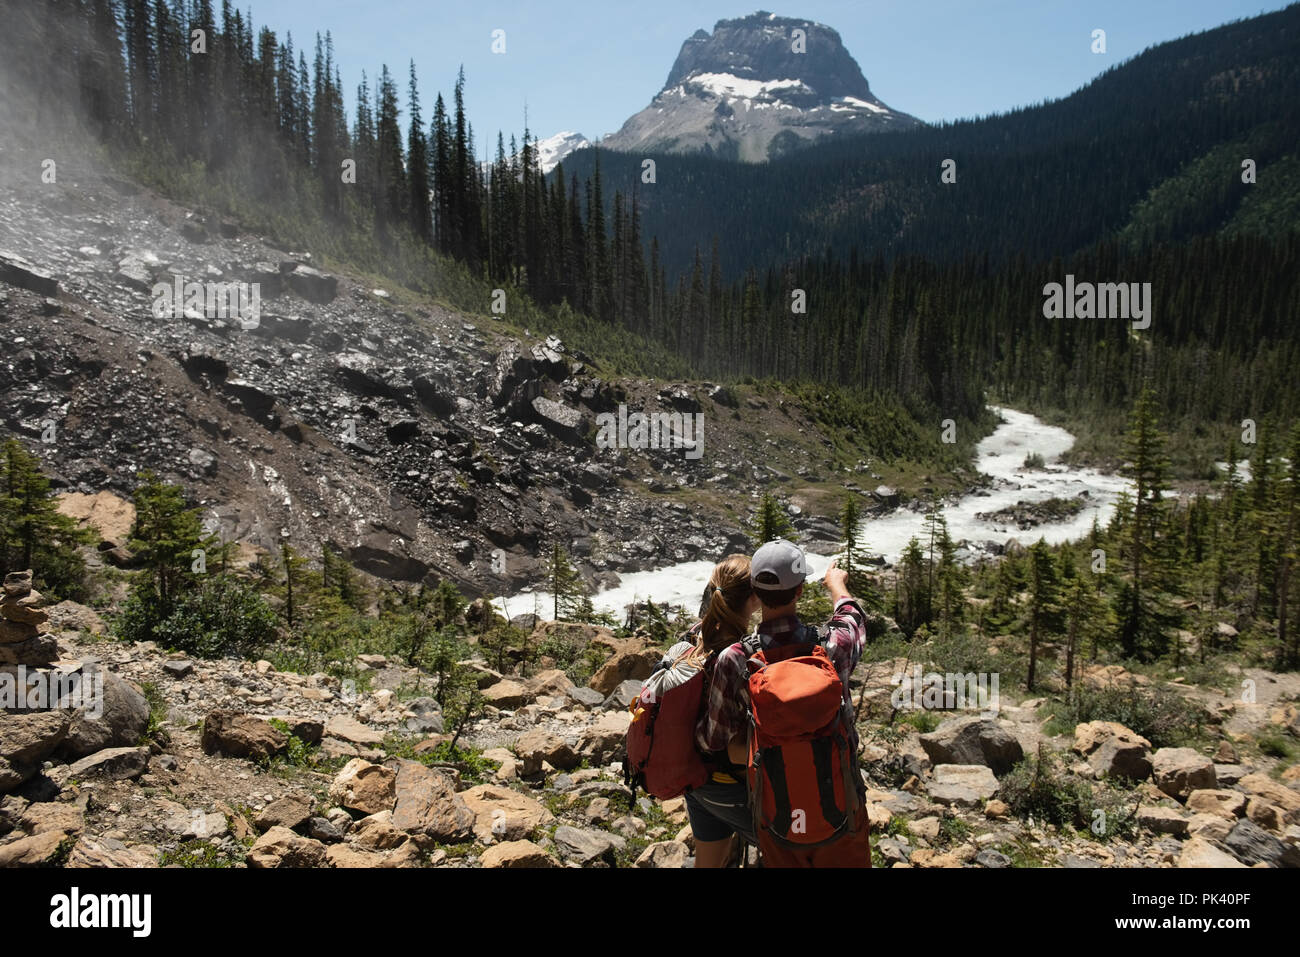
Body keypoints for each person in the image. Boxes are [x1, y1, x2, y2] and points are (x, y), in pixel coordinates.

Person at [700, 539, 872, 867]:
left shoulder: (735, 659)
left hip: (775, 816)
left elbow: (713, 739)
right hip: (843, 810)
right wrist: (837, 586)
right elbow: (852, 619)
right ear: (800, 591)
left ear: (755, 591)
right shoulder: (832, 647)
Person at [649, 554, 762, 867]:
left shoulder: (695, 634)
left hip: (693, 778)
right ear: (754, 599)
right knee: (793, 851)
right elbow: (724, 740)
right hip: (729, 786)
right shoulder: (742, 654)